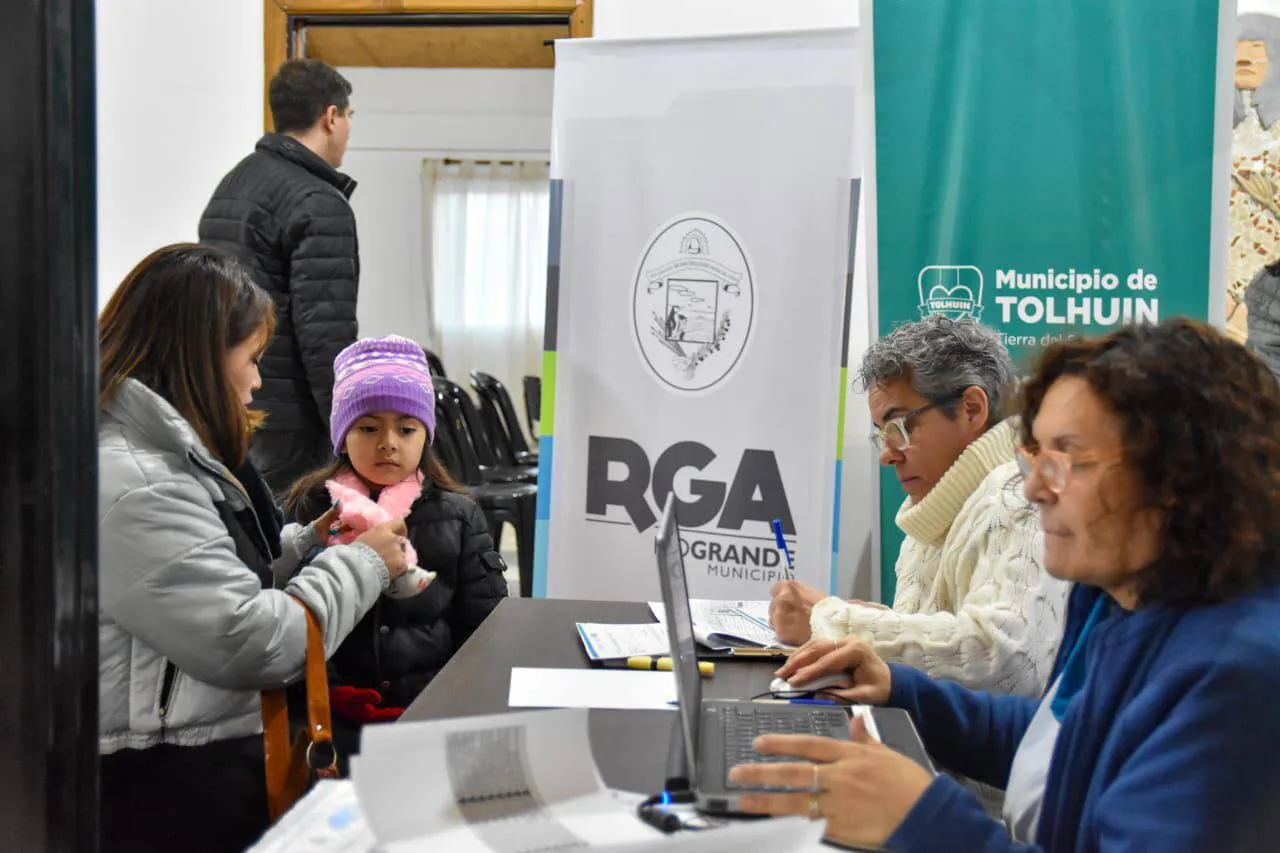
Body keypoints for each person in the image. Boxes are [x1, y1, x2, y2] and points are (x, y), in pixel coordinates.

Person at [734, 320, 1280, 851]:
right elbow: (1061, 745)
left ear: (1178, 477)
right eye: (1035, 456)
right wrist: (902, 690)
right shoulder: (1119, 603)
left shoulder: (1235, 677)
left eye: (1067, 459)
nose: (1036, 487)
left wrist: (920, 819)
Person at [97, 245, 409, 852]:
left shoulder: (162, 459)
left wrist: (303, 545)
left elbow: (208, 575)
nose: (259, 379)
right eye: (254, 358)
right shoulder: (141, 484)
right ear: (202, 356)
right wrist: (365, 563)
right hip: (168, 787)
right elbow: (251, 640)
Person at [770, 316, 1068, 697]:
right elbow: (945, 634)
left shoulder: (1016, 495)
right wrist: (875, 619)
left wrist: (831, 620)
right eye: (881, 435)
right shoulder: (939, 504)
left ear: (972, 409)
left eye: (899, 427)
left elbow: (1002, 657)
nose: (887, 455)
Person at [285, 335, 509, 727]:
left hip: (431, 719)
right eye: (369, 429)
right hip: (332, 722)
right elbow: (288, 617)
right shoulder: (310, 510)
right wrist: (330, 692)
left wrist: (447, 702)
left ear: (426, 436)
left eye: (406, 430)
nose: (388, 444)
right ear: (342, 436)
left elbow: (484, 631)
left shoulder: (458, 515)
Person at [199, 58, 360, 495]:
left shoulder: (234, 184)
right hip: (290, 423)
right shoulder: (319, 201)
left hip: (229, 399)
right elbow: (324, 332)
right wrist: (347, 429)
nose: (348, 129)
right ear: (331, 116)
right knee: (285, 546)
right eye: (348, 117)